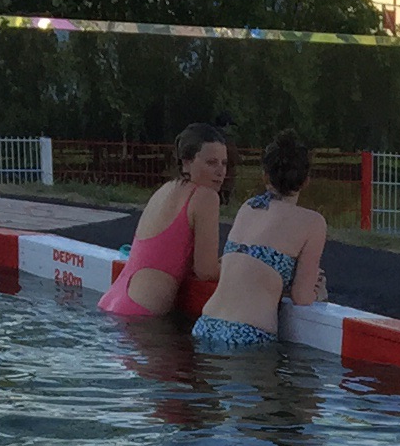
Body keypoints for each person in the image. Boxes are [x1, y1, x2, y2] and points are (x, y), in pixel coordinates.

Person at [191, 128, 328, 352]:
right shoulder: (313, 222)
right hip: (249, 334)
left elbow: (253, 271)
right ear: (306, 181)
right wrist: (317, 293)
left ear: (265, 176)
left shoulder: (249, 207)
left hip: (206, 325)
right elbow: (301, 297)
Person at [98, 123, 225, 319]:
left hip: (113, 300)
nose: (220, 171)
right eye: (211, 163)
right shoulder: (205, 197)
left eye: (224, 163)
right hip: (141, 313)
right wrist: (238, 264)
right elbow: (206, 271)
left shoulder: (164, 190)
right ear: (187, 162)